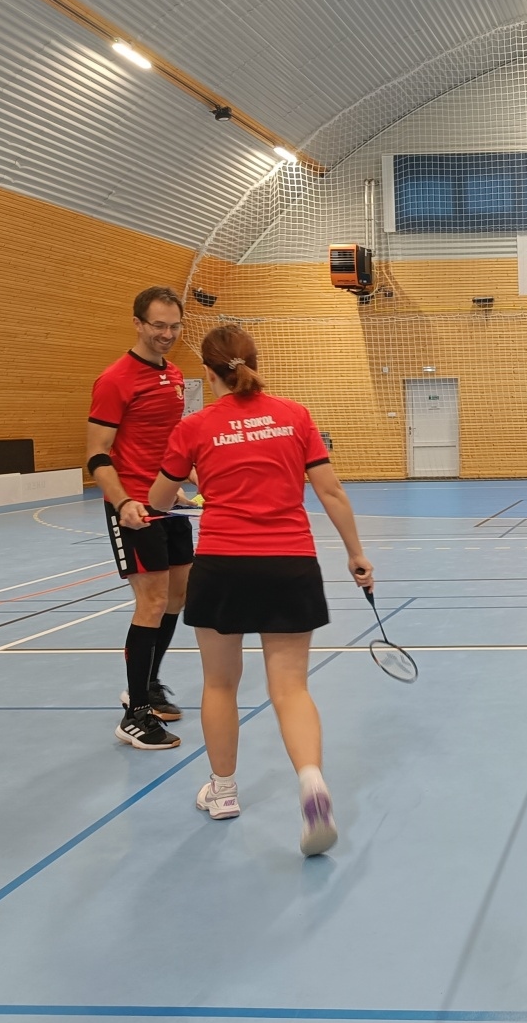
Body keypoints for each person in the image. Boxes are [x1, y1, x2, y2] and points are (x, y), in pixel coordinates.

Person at [147, 324, 374, 857]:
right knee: (290, 688)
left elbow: (158, 500)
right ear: (254, 362)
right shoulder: (295, 416)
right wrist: (356, 554)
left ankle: (223, 791)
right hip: (290, 563)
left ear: (208, 372)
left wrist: (193, 482)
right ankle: (312, 782)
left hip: (222, 565)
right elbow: (330, 490)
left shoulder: (194, 427)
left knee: (220, 684)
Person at [87, 286, 192, 750]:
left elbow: (170, 444)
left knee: (177, 596)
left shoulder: (175, 374)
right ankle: (135, 716)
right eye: (158, 325)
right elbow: (96, 455)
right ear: (137, 323)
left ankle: (146, 684)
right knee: (150, 601)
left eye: (174, 326)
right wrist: (123, 502)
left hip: (167, 502)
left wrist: (184, 484)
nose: (167, 334)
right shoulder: (114, 380)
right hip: (133, 507)